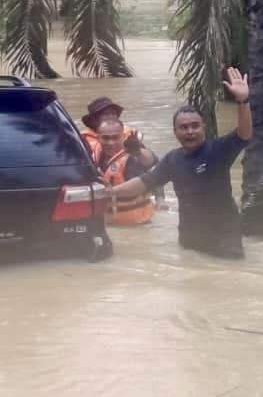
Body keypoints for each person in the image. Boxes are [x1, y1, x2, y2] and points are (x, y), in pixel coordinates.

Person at [106, 68, 253, 258]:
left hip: (224, 236)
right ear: (175, 132)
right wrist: (110, 192)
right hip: (191, 237)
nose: (190, 131)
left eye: (195, 126)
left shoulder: (218, 150)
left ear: (204, 128)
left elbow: (244, 134)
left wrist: (243, 101)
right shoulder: (172, 160)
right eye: (184, 127)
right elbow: (145, 182)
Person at [94, 118, 156, 225]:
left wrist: (138, 152)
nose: (110, 142)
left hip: (139, 227)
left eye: (115, 137)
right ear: (98, 138)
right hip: (109, 226)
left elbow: (150, 162)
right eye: (106, 138)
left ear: (123, 137)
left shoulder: (133, 157)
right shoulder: (93, 157)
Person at [80, 97, 158, 170]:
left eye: (113, 113)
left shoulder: (130, 139)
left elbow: (151, 161)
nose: (111, 117)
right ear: (94, 120)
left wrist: (138, 152)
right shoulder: (83, 142)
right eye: (106, 114)